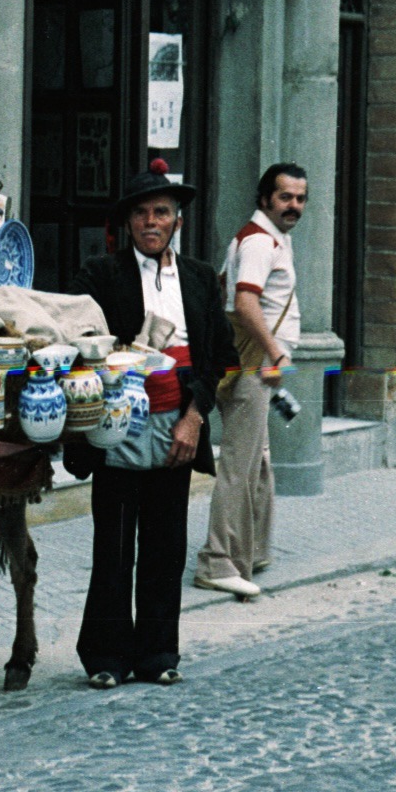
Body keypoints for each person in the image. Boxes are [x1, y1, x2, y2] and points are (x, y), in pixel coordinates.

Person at [67, 158, 238, 687]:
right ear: (127, 223)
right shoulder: (100, 274)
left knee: (166, 542)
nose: (151, 222)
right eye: (140, 213)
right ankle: (106, 658)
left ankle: (159, 654)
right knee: (114, 543)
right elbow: (79, 347)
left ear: (176, 221)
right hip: (119, 425)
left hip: (175, 423)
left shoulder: (202, 279)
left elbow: (219, 357)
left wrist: (193, 418)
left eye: (161, 212)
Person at [194, 163, 308, 598]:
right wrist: (275, 352)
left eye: (300, 198)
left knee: (257, 459)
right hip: (256, 360)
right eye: (285, 197)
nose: (293, 206)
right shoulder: (261, 242)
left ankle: (253, 549)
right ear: (265, 200)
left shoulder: (267, 237)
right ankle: (218, 561)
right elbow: (244, 302)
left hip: (257, 361)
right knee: (240, 465)